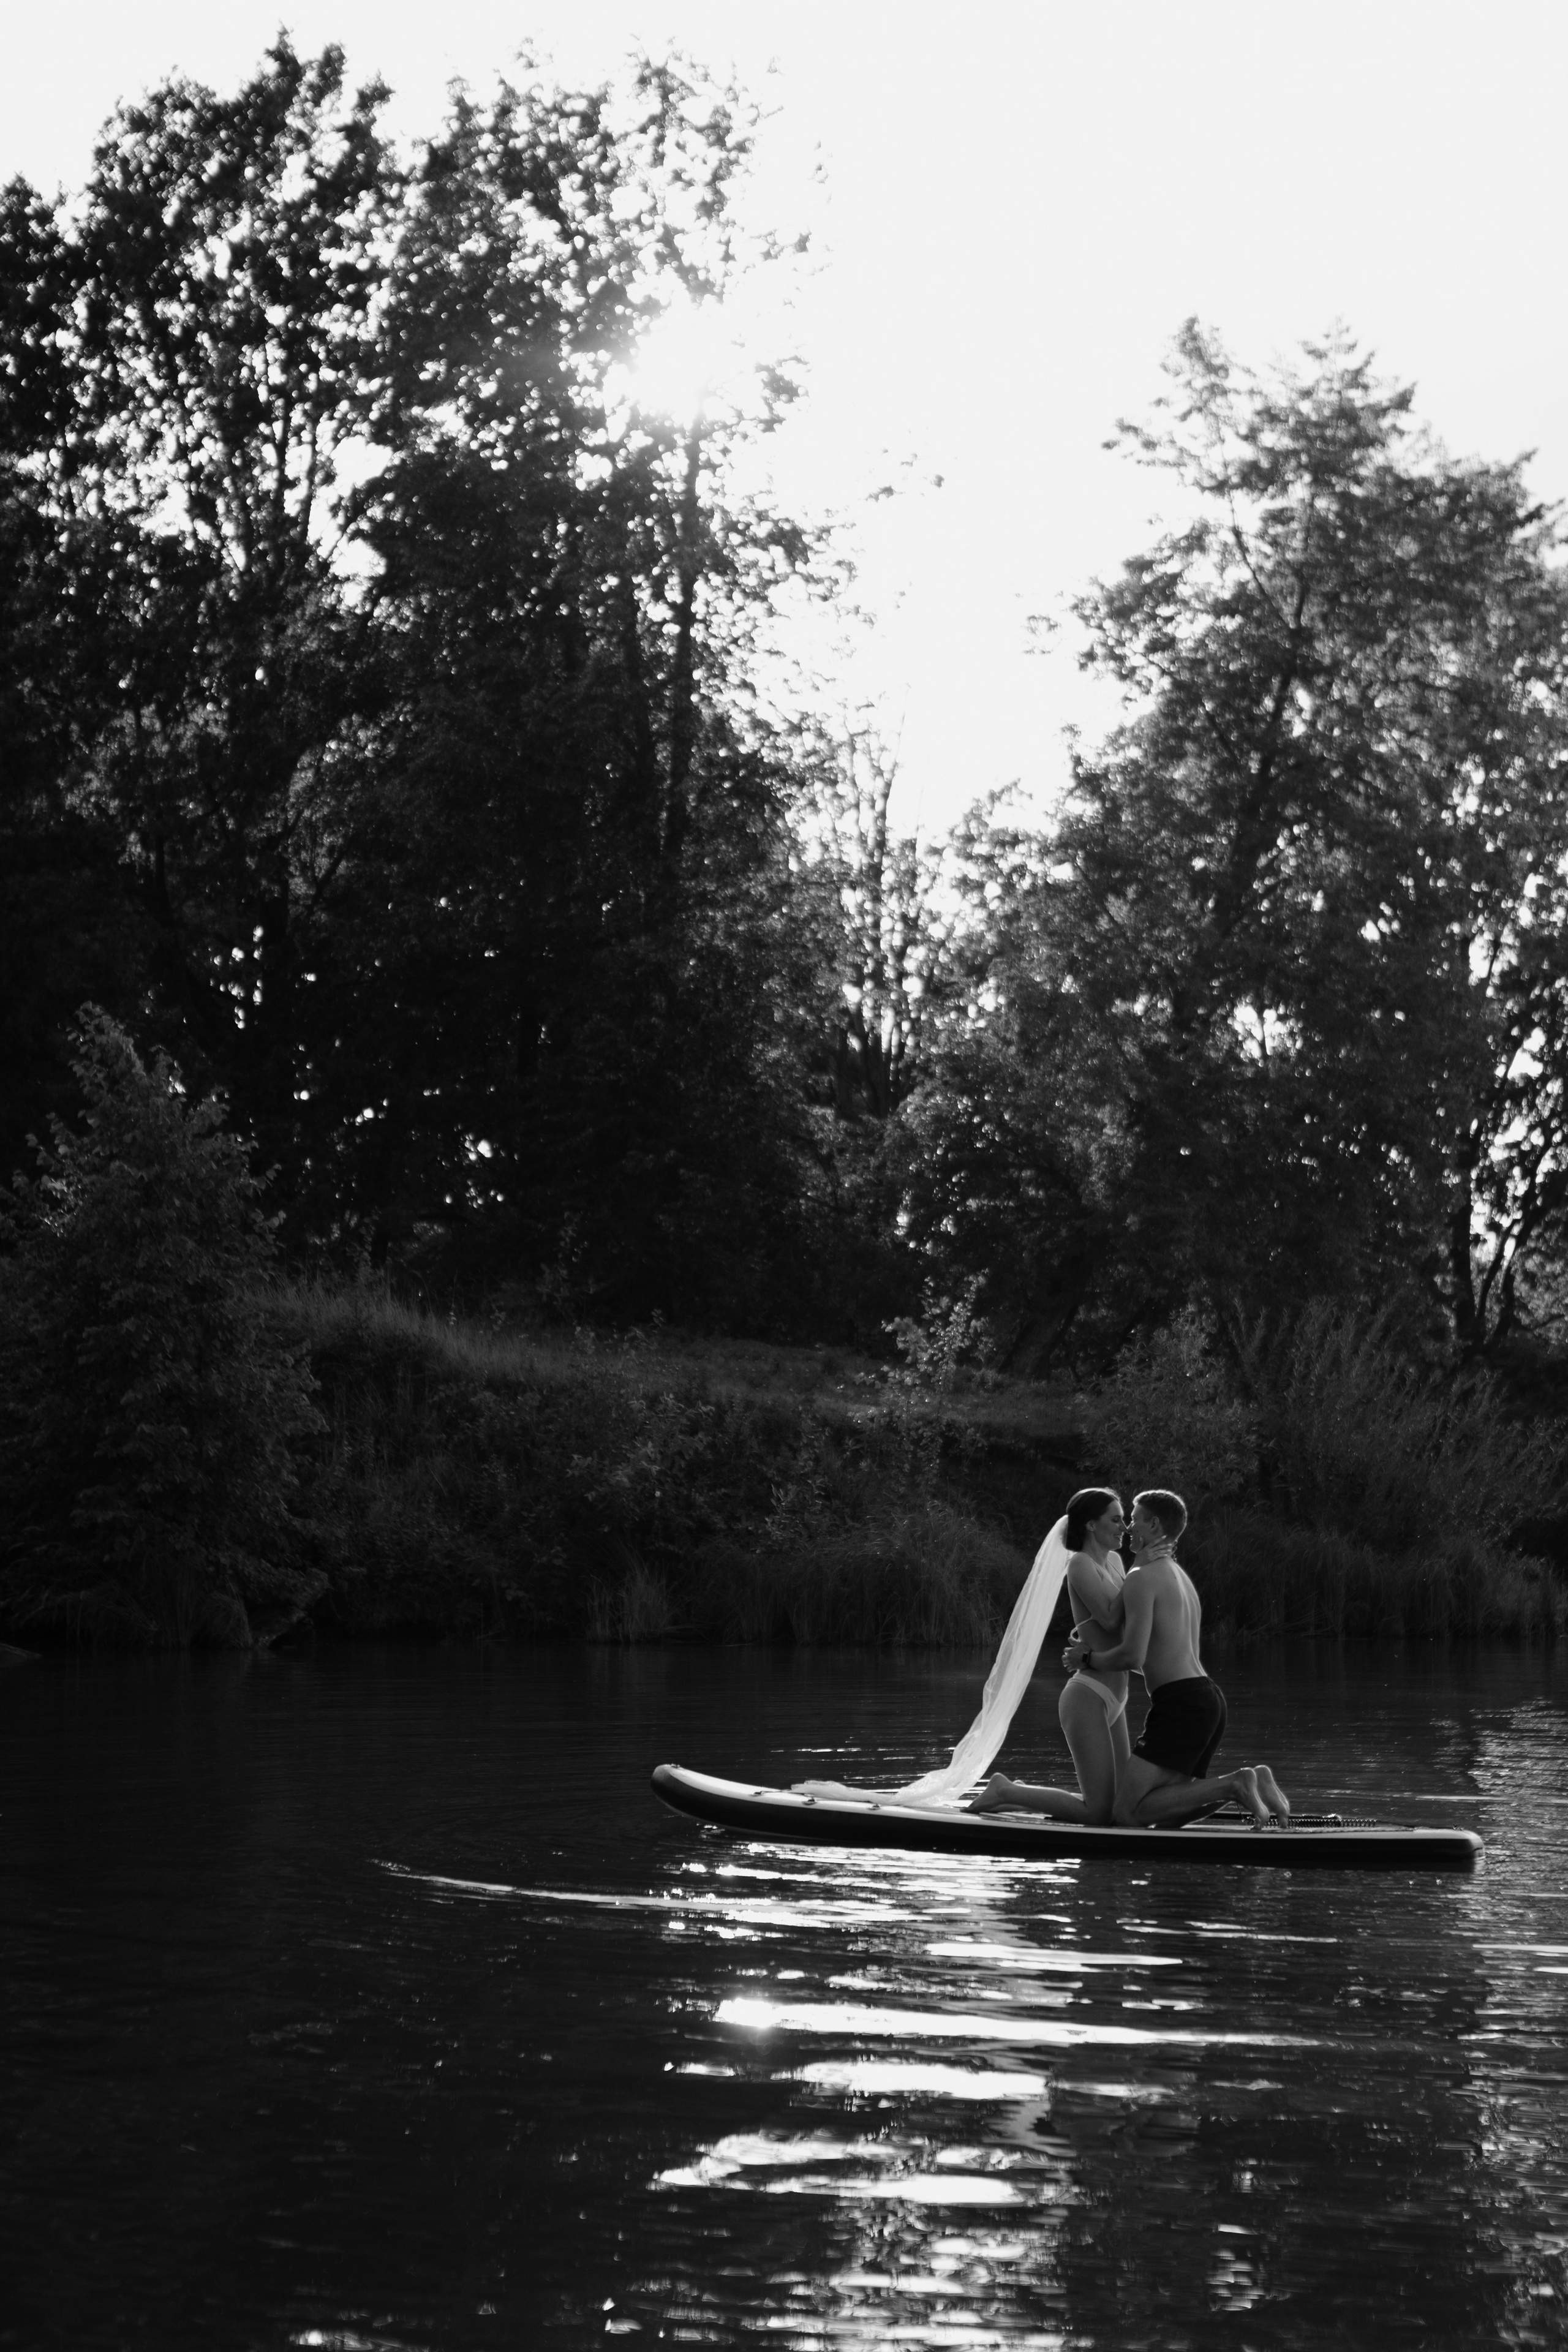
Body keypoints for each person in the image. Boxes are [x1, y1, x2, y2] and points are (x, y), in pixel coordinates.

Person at [1063, 1488, 1289, 1829]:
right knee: (1167, 1813)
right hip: (1208, 1699)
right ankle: (1252, 1779)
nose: (1128, 1527)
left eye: (1134, 1519)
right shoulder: (1179, 1577)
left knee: (1127, 1814)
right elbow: (1154, 1652)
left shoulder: (1141, 1577)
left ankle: (1236, 1783)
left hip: (1181, 1703)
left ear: (1154, 1525)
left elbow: (1132, 1654)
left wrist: (1089, 1657)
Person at [963, 1487, 1132, 1825]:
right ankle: (1005, 1791)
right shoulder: (1081, 1565)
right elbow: (1114, 1619)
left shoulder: (1114, 1561)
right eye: (1115, 1520)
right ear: (1091, 1526)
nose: (1124, 1527)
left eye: (1125, 1520)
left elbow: (1129, 1631)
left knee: (1121, 1807)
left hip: (1117, 1695)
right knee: (1098, 1812)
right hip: (1089, 1696)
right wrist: (1150, 1578)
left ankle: (1022, 1797)